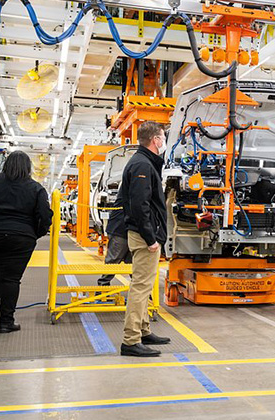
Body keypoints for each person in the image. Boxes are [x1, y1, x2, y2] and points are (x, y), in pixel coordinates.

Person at [0, 151, 52, 333]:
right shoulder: (36, 188)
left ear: (6, 164)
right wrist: (34, 234)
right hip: (20, 239)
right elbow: (45, 217)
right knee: (11, 279)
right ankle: (6, 321)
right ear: (28, 168)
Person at [120, 121, 171, 357]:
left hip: (145, 235)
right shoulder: (142, 164)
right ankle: (130, 340)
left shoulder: (145, 162)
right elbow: (139, 206)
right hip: (143, 237)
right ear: (155, 140)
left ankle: (143, 329)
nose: (163, 142)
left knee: (146, 285)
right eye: (162, 137)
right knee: (140, 288)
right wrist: (151, 238)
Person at [97, 193, 132, 286]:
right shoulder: (133, 186)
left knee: (134, 263)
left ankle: (141, 292)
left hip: (133, 231)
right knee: (113, 260)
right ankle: (102, 288)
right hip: (120, 229)